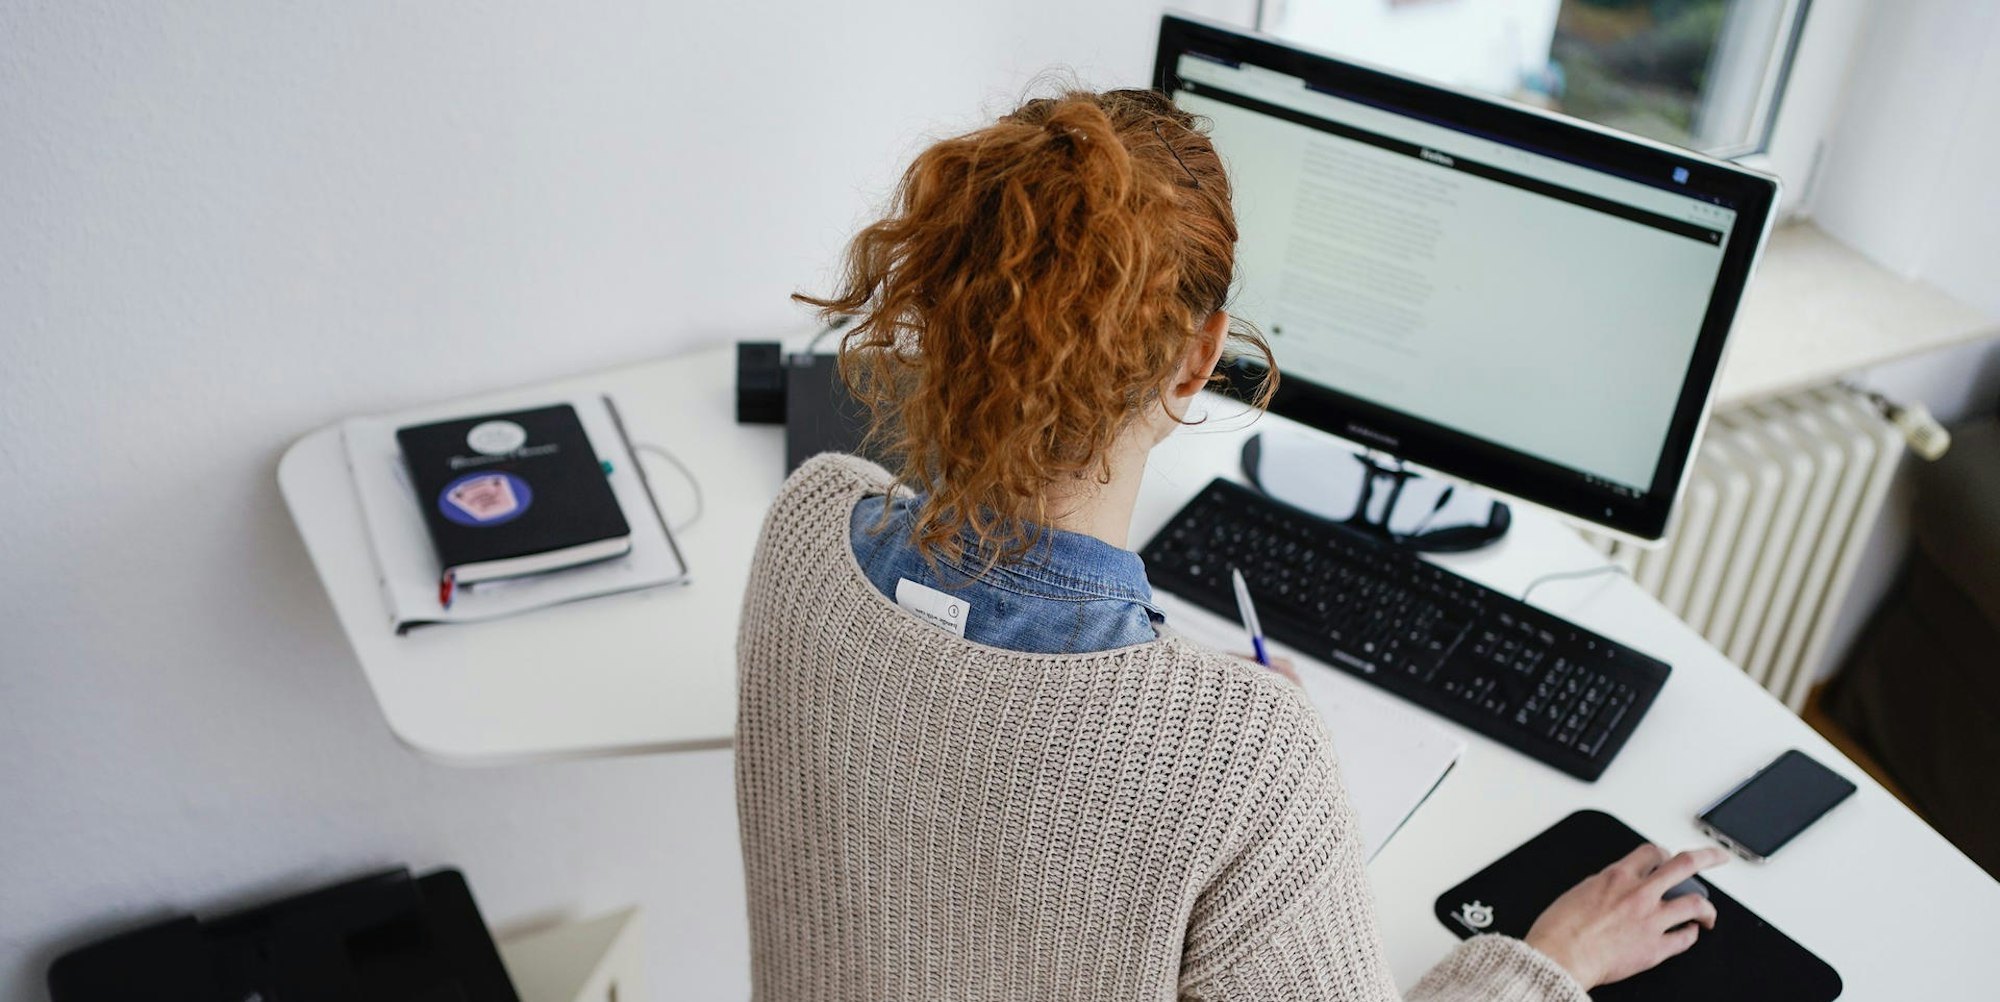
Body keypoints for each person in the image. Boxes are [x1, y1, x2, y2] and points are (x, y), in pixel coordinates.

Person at [735, 87, 1725, 1001]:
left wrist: (1229, 744)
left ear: (944, 311)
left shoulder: (809, 523)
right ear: (1200, 359)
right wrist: (1549, 961)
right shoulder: (1240, 755)